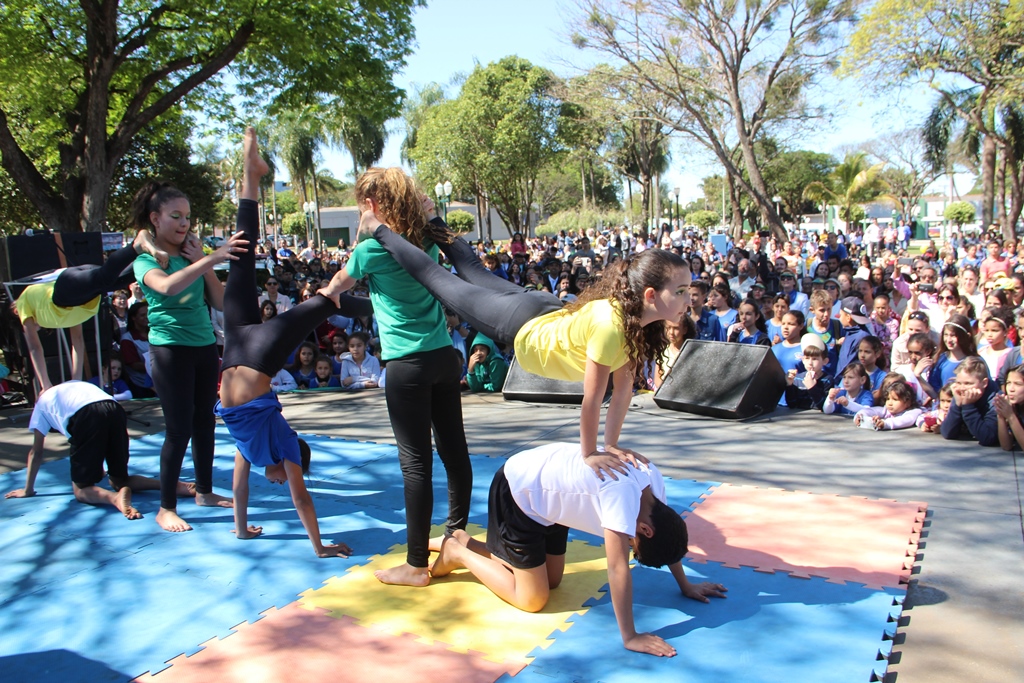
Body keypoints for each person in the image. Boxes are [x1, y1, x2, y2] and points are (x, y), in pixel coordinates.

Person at [349, 205, 692, 477]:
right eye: (680, 292)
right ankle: (377, 229)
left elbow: (623, 394)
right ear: (650, 295)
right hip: (522, 322)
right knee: (437, 278)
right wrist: (590, 453)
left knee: (473, 272)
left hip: (544, 307)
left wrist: (612, 446)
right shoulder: (613, 328)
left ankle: (431, 217)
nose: (690, 299)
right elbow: (592, 400)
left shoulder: (637, 324)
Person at [215, 129, 370, 557]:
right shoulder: (282, 446)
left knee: (241, 257)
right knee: (326, 301)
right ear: (290, 466)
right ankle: (375, 278)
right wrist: (318, 546)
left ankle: (251, 178)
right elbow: (301, 499)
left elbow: (238, 485)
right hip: (257, 352)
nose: (282, 484)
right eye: (287, 476)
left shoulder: (251, 451)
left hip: (237, 344)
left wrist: (242, 529)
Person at [318, 167, 474, 587]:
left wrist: (330, 288)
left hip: (407, 365)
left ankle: (416, 564)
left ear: (370, 206)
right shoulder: (426, 241)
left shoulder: (371, 250)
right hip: (443, 356)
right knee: (454, 452)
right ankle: (455, 538)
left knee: (416, 464)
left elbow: (339, 285)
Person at [428, 442, 727, 657]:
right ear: (644, 530)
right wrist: (630, 636)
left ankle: (466, 542)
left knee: (553, 580)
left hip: (553, 501)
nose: (629, 545)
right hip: (518, 491)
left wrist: (686, 585)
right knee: (532, 598)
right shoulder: (621, 497)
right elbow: (617, 568)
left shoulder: (653, 489)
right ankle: (458, 552)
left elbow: (668, 534)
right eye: (635, 546)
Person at [131, 179, 247, 532]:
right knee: (178, 429)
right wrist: (208, 258)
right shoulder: (144, 260)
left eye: (187, 217)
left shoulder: (192, 255)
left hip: (202, 347)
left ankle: (205, 491)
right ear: (155, 218)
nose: (184, 224)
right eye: (175, 216)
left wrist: (205, 263)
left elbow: (218, 301)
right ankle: (165, 507)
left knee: (205, 423)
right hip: (169, 351)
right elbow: (166, 287)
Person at [13, 230, 166, 392]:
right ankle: (160, 249)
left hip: (65, 288)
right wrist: (76, 381)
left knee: (106, 279)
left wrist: (45, 385)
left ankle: (136, 245)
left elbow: (35, 349)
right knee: (127, 277)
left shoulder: (21, 305)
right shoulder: (65, 318)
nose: (36, 328)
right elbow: (78, 343)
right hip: (82, 288)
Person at [4, 380, 171, 518]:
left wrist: (28, 489)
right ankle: (174, 485)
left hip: (86, 414)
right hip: (114, 408)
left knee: (81, 489)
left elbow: (37, 451)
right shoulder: (72, 385)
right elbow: (95, 441)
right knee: (120, 480)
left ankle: (115, 498)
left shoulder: (41, 406)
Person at [940, 357, 997, 446]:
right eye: (959, 383)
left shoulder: (995, 400)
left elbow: (988, 438)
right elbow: (947, 433)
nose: (962, 388)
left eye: (968, 383)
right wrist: (957, 406)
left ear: (984, 383)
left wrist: (968, 406)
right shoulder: (960, 393)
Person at [784, 334, 833, 410]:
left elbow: (823, 406)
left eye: (814, 359)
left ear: (825, 361)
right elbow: (792, 404)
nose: (810, 362)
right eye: (807, 358)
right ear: (803, 360)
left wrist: (812, 387)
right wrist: (789, 385)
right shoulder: (798, 378)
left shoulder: (827, 380)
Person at [853, 380, 923, 431]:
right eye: (888, 399)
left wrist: (885, 423)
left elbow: (904, 421)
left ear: (908, 402)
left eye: (895, 399)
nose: (890, 403)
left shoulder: (915, 412)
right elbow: (869, 411)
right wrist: (860, 417)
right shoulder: (886, 410)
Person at [994, 363, 1024, 450]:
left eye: (1018, 384)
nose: (1011, 389)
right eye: (1008, 383)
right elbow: (1006, 446)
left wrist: (1011, 416)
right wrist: (1001, 415)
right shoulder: (1016, 406)